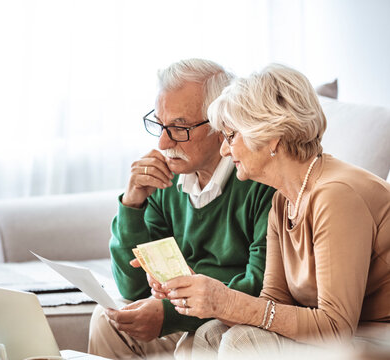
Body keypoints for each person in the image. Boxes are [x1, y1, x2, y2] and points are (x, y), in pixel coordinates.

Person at [161, 63, 390, 358]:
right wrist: (210, 300)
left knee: (244, 343)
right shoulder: (282, 203)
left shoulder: (336, 195)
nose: (224, 151)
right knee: (206, 335)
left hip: (378, 332)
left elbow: (335, 326)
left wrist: (228, 302)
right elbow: (272, 303)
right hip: (351, 332)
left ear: (271, 137)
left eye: (231, 136)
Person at [87, 59, 276, 359]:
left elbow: (262, 288)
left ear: (221, 124)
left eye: (179, 127)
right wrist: (132, 204)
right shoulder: (167, 180)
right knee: (107, 319)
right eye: (159, 124)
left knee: (204, 336)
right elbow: (132, 286)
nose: (163, 143)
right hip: (185, 312)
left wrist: (168, 316)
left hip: (235, 319)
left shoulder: (260, 182)